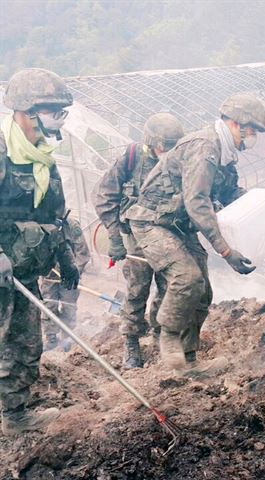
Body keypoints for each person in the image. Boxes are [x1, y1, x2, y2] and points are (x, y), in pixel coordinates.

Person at [124, 94, 265, 377]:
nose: (252, 138)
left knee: (202, 291)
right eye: (252, 131)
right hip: (153, 222)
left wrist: (261, 201)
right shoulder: (205, 148)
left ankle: (189, 363)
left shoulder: (225, 155)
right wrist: (225, 250)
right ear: (236, 124)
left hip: (179, 225)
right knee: (186, 278)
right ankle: (169, 336)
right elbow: (197, 201)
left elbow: (227, 193)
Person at [0, 68, 79, 435]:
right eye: (53, 111)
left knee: (26, 344)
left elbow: (56, 214)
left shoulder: (43, 156)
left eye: (62, 112)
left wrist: (66, 258)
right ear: (26, 111)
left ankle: (16, 417)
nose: (59, 119)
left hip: (23, 269)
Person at [94, 113, 183, 369]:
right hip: (135, 237)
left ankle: (160, 335)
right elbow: (104, 196)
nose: (167, 150)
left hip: (168, 236)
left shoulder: (179, 162)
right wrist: (114, 236)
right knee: (137, 289)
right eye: (163, 145)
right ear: (151, 142)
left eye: (172, 145)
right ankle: (131, 342)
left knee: (168, 288)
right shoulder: (132, 158)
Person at [40, 217, 90, 351]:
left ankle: (67, 338)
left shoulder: (71, 224)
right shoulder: (40, 220)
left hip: (70, 275)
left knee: (69, 306)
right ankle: (51, 338)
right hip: (49, 275)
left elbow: (82, 253)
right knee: (48, 305)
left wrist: (74, 273)